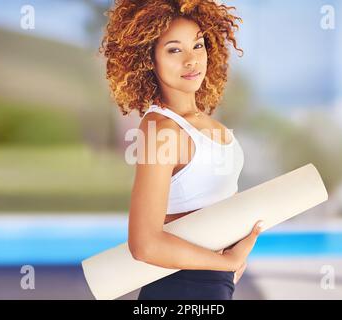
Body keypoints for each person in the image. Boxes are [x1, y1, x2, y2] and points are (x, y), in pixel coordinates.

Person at [101, 0, 263, 300]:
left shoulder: (204, 122)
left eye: (198, 45)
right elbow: (144, 244)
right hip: (181, 289)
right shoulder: (162, 130)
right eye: (174, 50)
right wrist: (227, 262)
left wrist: (232, 265)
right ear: (149, 58)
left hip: (215, 285)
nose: (191, 60)